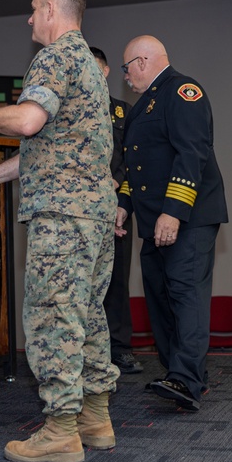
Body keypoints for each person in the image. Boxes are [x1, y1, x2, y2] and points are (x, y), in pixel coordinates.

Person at [0, 0, 119, 462]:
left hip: (63, 216)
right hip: (94, 212)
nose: (28, 20)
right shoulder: (88, 63)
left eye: (31, 10)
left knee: (53, 314)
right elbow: (52, 145)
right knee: (87, 314)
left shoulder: (55, 57)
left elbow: (27, 123)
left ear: (48, 9)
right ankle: (95, 419)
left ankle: (61, 430)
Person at [115, 35, 228, 412]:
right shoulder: (144, 104)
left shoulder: (182, 91)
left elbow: (191, 153)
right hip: (153, 222)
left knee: (186, 294)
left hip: (187, 219)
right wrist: (124, 205)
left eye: (126, 67)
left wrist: (174, 212)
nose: (125, 76)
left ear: (143, 61)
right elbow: (139, 167)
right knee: (159, 297)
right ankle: (179, 372)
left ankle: (186, 378)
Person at [88, 46, 142, 375]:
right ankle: (85, 352)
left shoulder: (124, 113)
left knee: (117, 283)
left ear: (106, 71)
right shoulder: (72, 110)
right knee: (84, 283)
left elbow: (133, 161)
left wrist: (117, 192)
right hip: (82, 211)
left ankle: (119, 349)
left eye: (95, 69)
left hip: (118, 208)